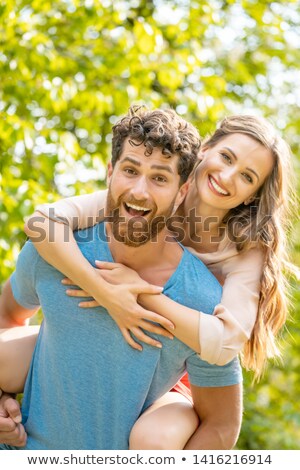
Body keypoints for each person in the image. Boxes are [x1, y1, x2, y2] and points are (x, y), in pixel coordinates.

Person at [0, 107, 243, 450]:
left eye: (160, 178)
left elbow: (220, 423)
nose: (139, 191)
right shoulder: (55, 252)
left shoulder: (201, 298)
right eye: (130, 170)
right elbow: (5, 316)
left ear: (183, 190)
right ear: (110, 172)